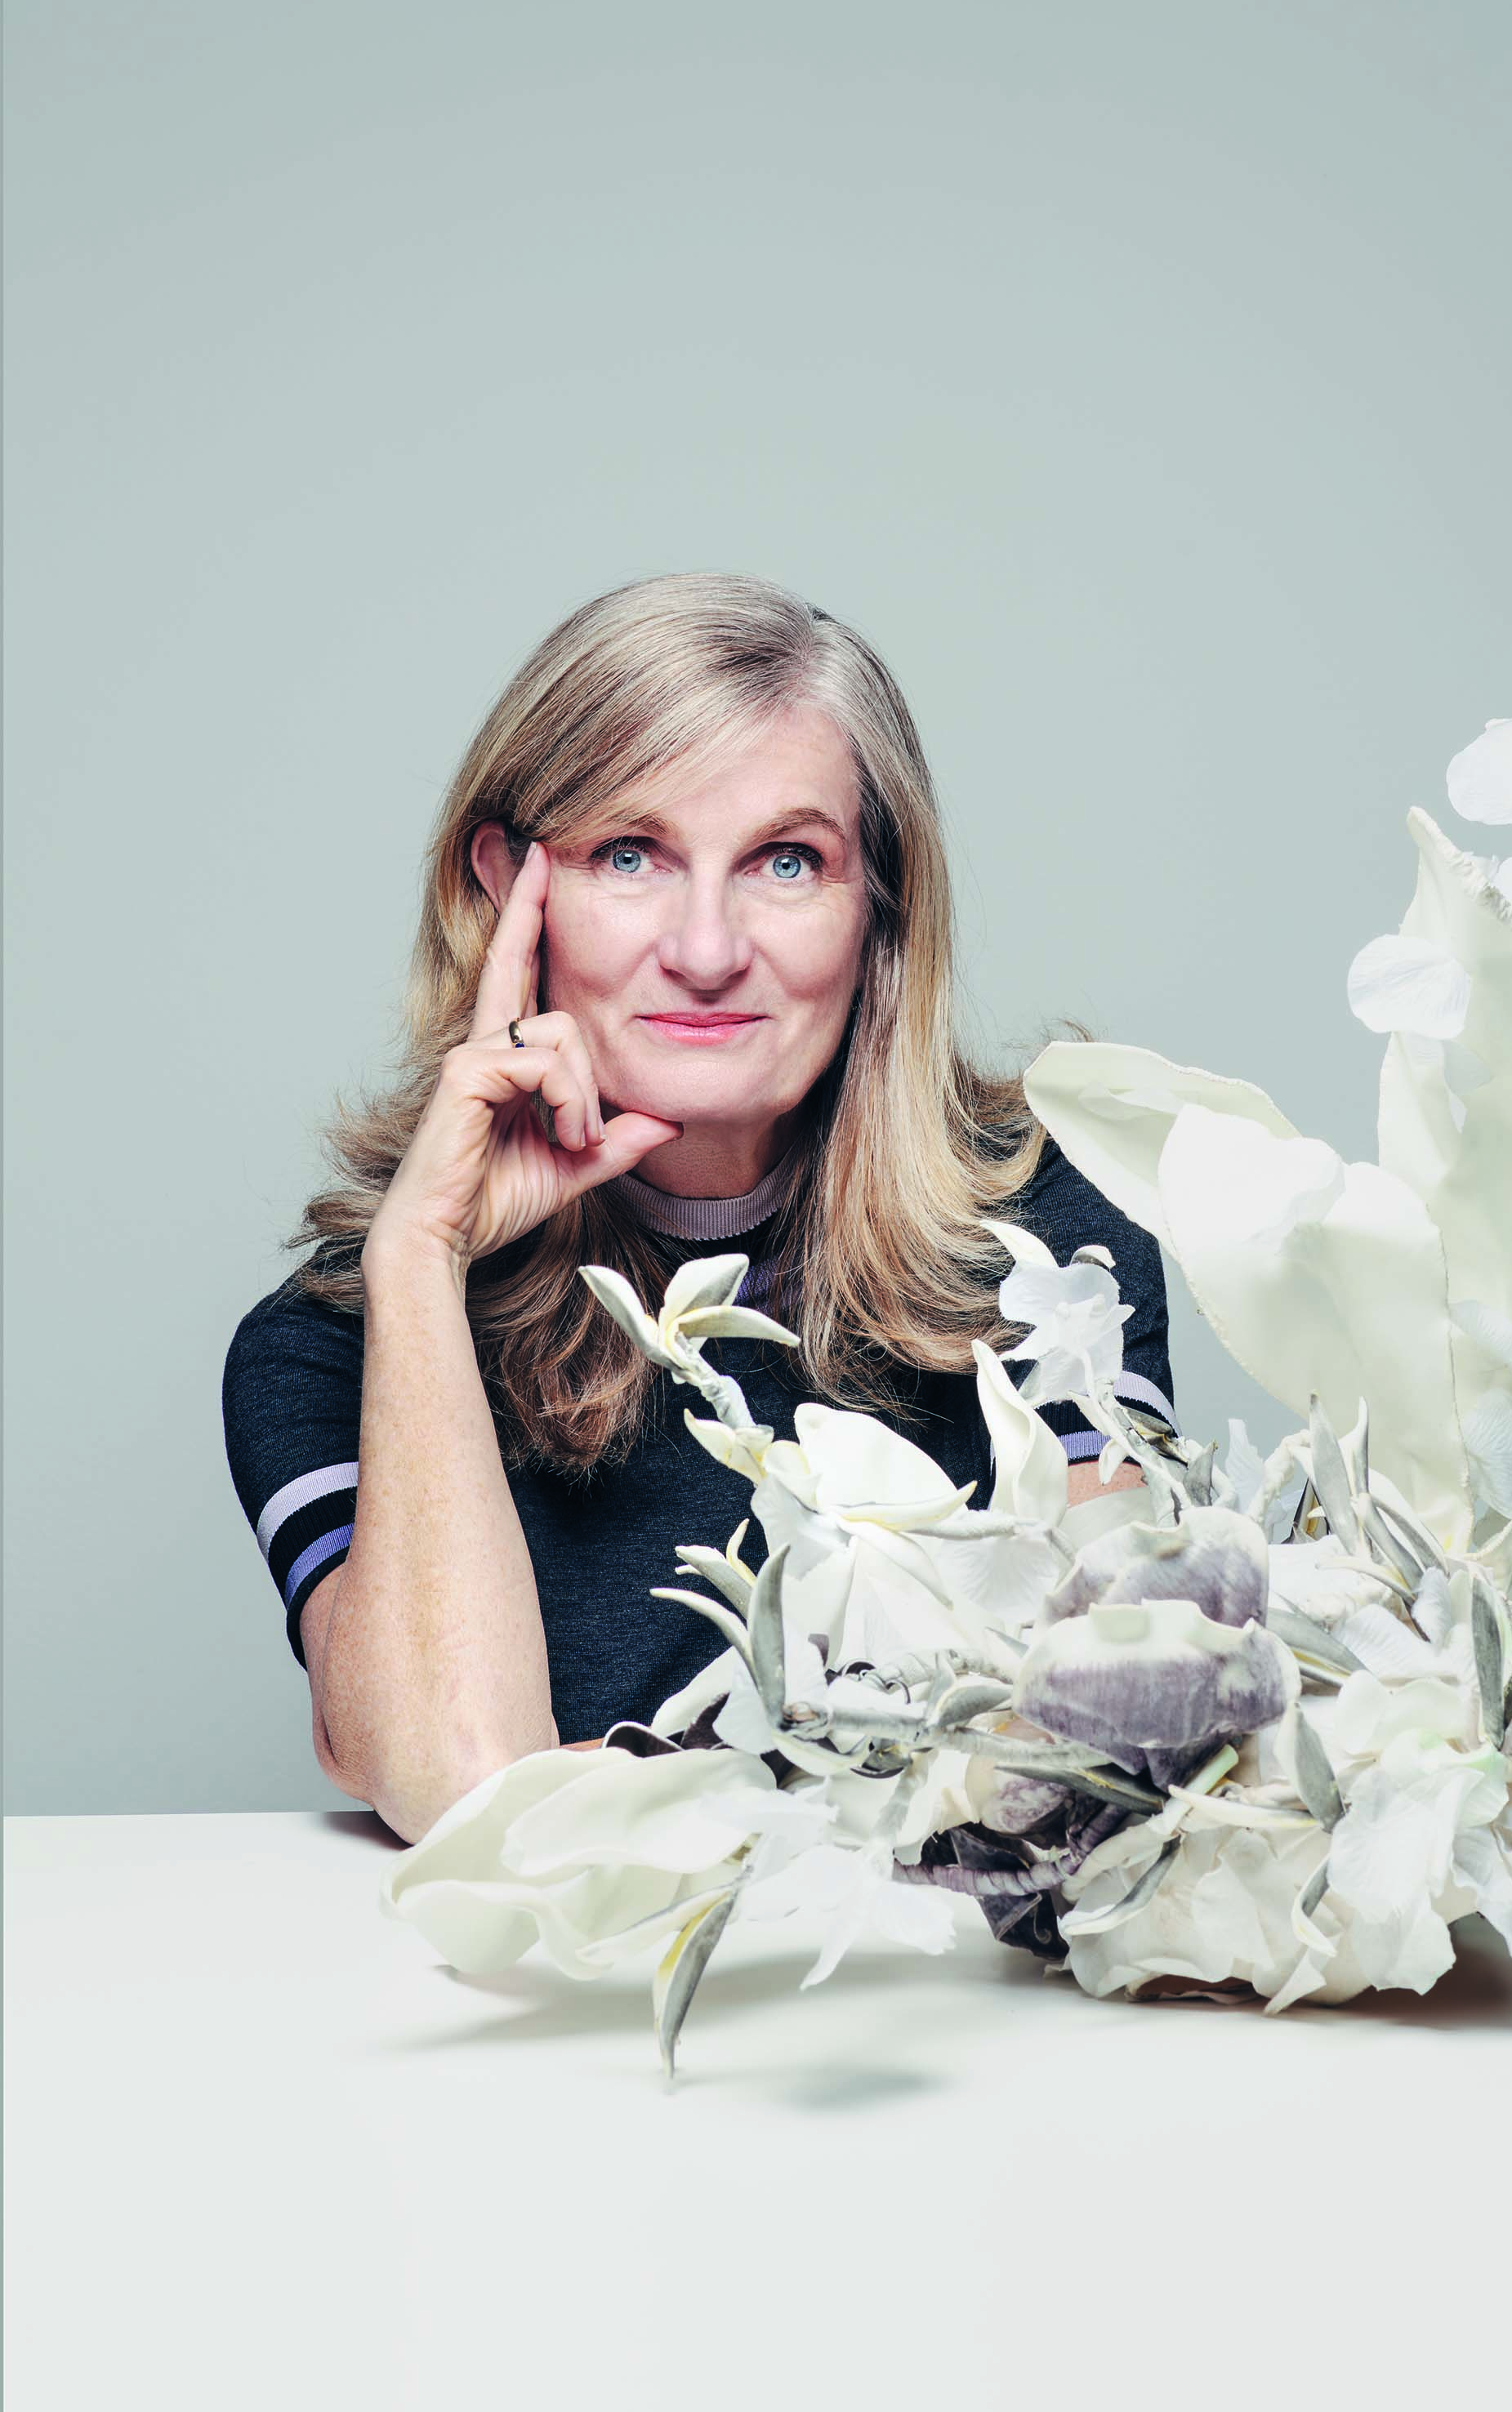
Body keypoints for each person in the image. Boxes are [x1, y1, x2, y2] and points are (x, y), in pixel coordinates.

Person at [221, 574, 1175, 1844]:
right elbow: (460, 1784)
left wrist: (627, 1781)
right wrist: (421, 1256)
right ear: (508, 891)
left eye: (787, 861)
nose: (709, 950)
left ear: (878, 902)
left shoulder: (1047, 1242)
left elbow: (1123, 1728)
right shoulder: (333, 1344)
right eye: (631, 856)